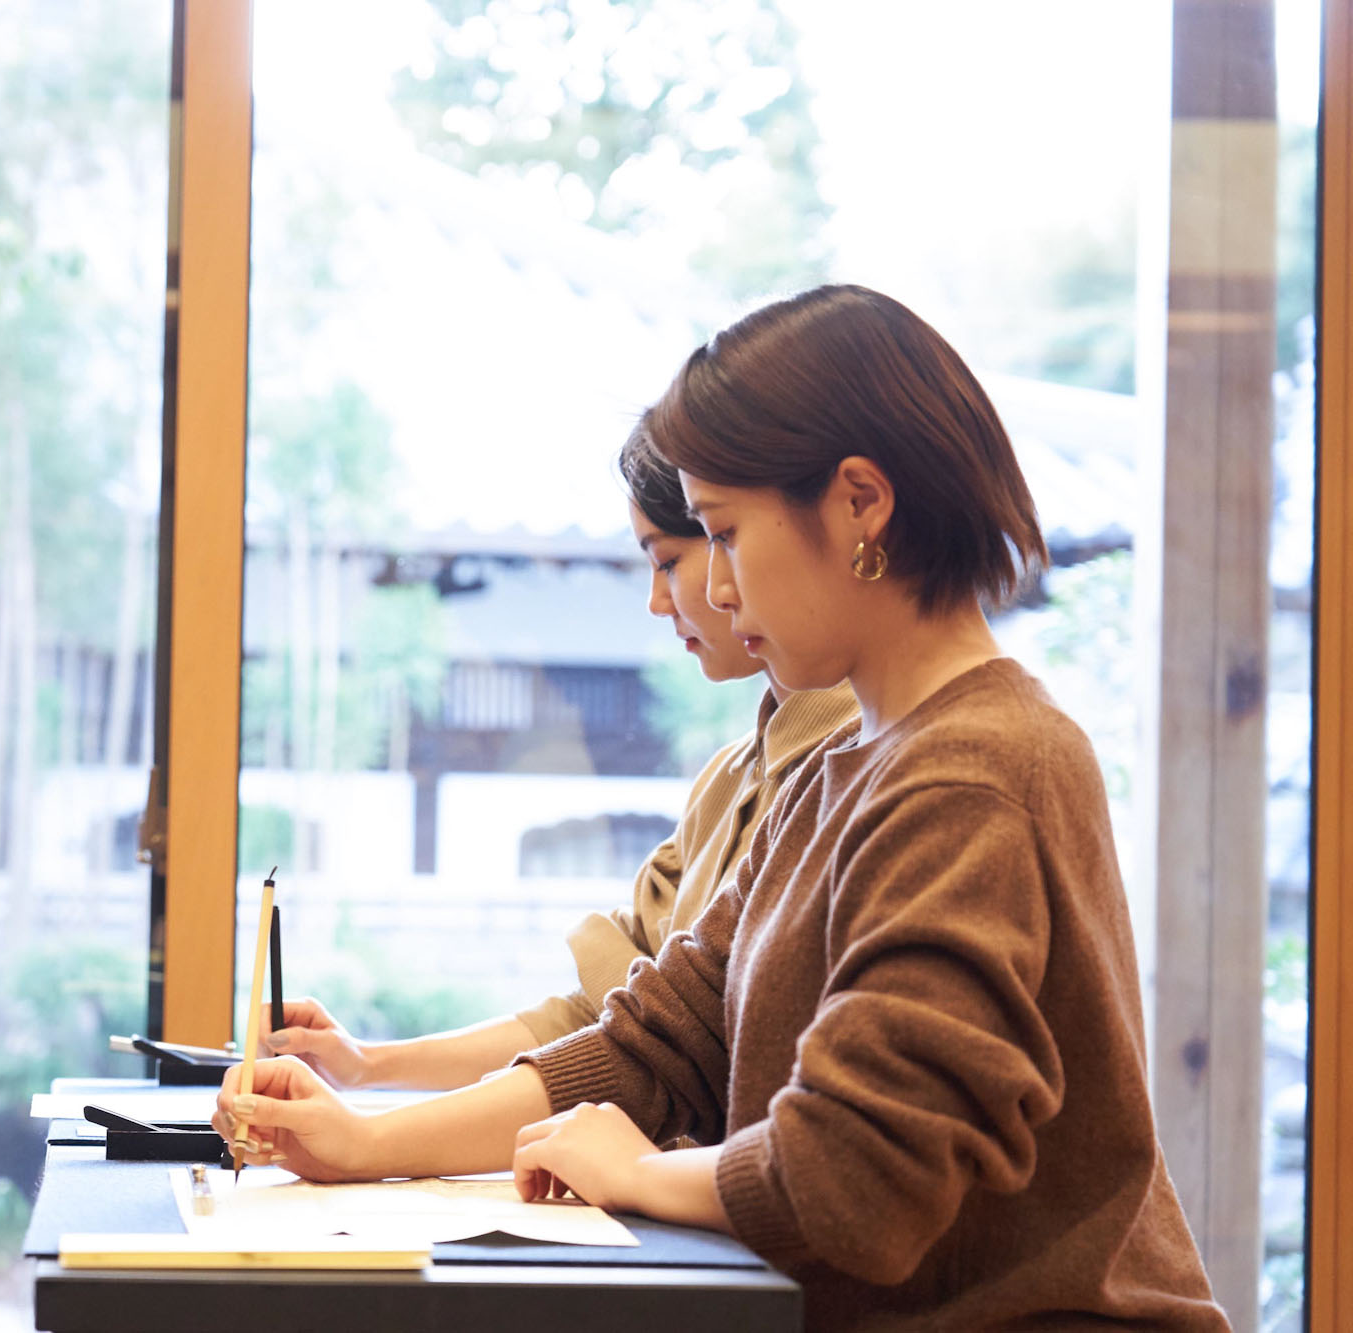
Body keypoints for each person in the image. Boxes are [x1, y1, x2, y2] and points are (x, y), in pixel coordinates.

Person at [216, 285, 1228, 1330]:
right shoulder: (850, 763)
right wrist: (365, 1142)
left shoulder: (972, 773)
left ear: (859, 504)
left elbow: (850, 1183)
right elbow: (661, 1039)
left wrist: (642, 1173)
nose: (716, 588)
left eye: (724, 533)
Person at [260, 431, 857, 1092]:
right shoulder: (730, 776)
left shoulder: (858, 773)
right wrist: (368, 1065)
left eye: (676, 558)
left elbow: (664, 1041)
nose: (669, 600)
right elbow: (600, 1020)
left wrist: (368, 1136)